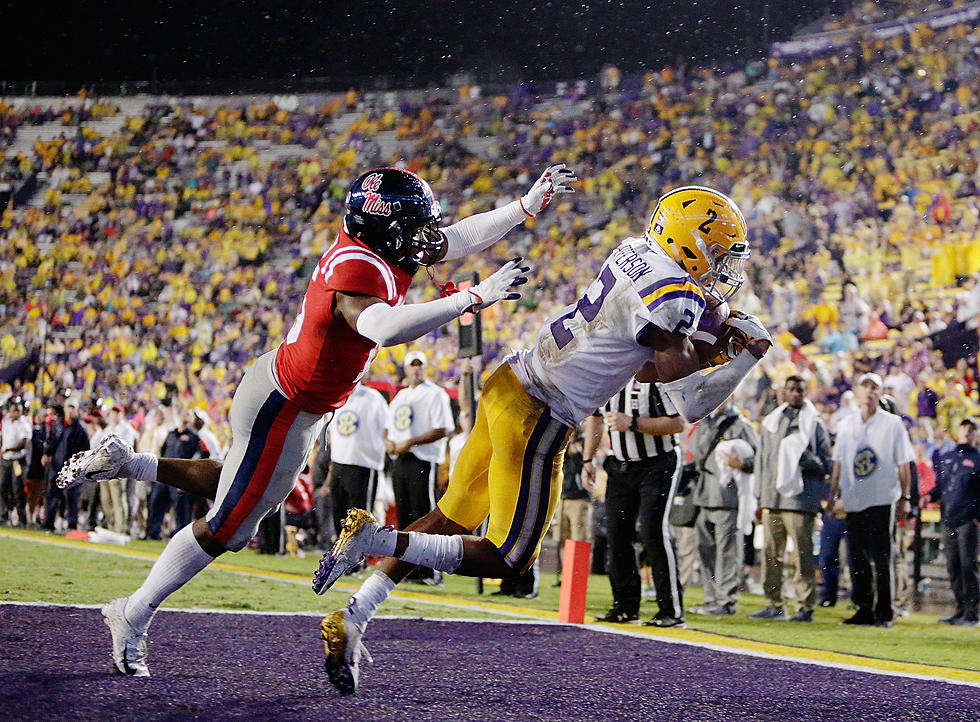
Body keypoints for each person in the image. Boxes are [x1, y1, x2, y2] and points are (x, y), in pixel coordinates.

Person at [57, 164, 573, 678]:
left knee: (248, 484)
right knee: (231, 526)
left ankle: (131, 463)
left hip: (282, 390)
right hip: (286, 406)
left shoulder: (380, 248)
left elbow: (456, 237)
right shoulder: (359, 268)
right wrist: (472, 297)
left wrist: (523, 208)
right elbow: (384, 328)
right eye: (414, 227)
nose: (426, 238)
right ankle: (132, 612)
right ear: (385, 227)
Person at [314, 185, 772, 694]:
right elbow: (690, 406)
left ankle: (356, 615)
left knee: (449, 518)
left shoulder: (635, 252)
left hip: (510, 381)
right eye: (718, 253)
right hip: (540, 412)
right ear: (689, 243)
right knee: (508, 557)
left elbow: (635, 363)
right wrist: (749, 355)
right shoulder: (675, 295)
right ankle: (373, 539)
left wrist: (705, 351)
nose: (723, 267)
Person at [587, 377, 686, 627]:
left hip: (657, 464)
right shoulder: (607, 377)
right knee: (617, 534)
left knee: (654, 532)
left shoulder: (656, 380)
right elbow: (596, 417)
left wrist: (632, 423)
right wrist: (589, 459)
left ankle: (671, 610)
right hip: (619, 465)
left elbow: (677, 423)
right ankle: (625, 606)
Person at [829, 372, 914, 627]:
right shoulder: (846, 425)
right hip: (854, 498)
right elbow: (838, 464)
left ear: (881, 392)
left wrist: (904, 498)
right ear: (856, 391)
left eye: (874, 387)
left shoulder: (893, 424)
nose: (869, 391)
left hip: (881, 498)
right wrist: (833, 496)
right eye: (865, 386)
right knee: (857, 558)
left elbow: (904, 464)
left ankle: (884, 611)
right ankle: (864, 608)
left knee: (881, 557)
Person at [748, 375, 832, 623]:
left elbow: (826, 464)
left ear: (806, 393)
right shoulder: (771, 422)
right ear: (783, 392)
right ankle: (774, 604)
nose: (795, 393)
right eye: (791, 389)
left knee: (802, 557)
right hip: (772, 500)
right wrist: (760, 498)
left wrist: (806, 459)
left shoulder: (814, 424)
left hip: (800, 501)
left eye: (800, 390)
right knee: (771, 555)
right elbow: (762, 462)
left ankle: (804, 606)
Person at [384, 350, 453, 582]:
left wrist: (409, 442)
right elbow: (387, 425)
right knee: (405, 517)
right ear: (406, 368)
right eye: (412, 365)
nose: (416, 369)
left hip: (422, 459)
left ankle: (430, 571)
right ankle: (409, 570)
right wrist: (388, 442)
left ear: (426, 367)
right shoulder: (401, 396)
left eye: (420, 365)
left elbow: (443, 428)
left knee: (423, 515)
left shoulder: (436, 394)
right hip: (400, 460)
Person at [688, 399, 758, 616]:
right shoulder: (704, 422)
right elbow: (696, 453)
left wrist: (742, 464)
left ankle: (726, 601)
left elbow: (759, 460)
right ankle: (711, 600)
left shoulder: (741, 425)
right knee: (706, 552)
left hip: (728, 498)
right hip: (704, 495)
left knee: (727, 552)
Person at [327, 382, 388, 564]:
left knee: (360, 517)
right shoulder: (337, 394)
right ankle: (340, 558)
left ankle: (356, 561)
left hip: (363, 464)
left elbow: (387, 426)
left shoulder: (374, 397)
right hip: (339, 462)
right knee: (340, 514)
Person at [929, 418, 980, 626]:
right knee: (953, 566)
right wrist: (930, 496)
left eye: (971, 430)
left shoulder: (978, 459)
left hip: (968, 519)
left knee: (969, 566)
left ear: (976, 434)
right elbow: (941, 485)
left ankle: (972, 613)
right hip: (948, 517)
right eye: (964, 429)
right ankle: (960, 608)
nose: (967, 433)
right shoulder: (948, 457)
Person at [42, 399, 89, 532]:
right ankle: (48, 523)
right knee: (52, 495)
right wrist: (46, 454)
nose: (70, 410)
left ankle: (72, 526)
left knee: (72, 497)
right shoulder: (57, 424)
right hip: (56, 466)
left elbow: (85, 451)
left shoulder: (81, 428)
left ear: (77, 410)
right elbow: (51, 441)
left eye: (73, 407)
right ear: (64, 408)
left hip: (72, 469)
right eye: (69, 407)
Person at [0, 397, 32, 526]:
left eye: (18, 410)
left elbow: (23, 444)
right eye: (14, 410)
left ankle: (21, 518)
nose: (16, 413)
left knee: (18, 489)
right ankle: (3, 515)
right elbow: (2, 437)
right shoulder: (6, 422)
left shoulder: (24, 424)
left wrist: (7, 449)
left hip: (17, 461)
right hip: (5, 460)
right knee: (2, 487)